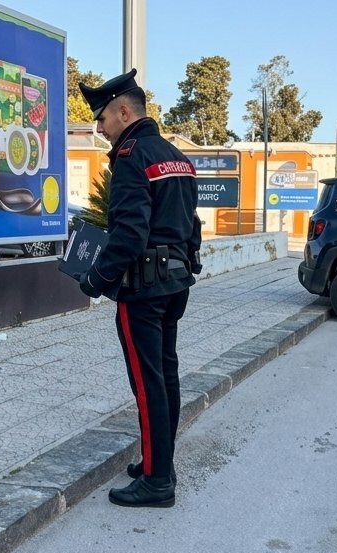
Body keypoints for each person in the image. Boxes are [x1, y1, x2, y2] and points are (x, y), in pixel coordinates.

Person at [78, 69, 202, 508]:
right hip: (174, 284)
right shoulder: (175, 156)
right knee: (165, 376)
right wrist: (190, 263)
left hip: (143, 289)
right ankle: (157, 462)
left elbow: (129, 234)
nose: (99, 128)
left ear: (124, 111)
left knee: (148, 383)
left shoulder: (131, 156)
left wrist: (96, 279)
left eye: (102, 118)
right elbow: (193, 225)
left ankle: (156, 483)